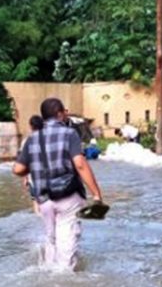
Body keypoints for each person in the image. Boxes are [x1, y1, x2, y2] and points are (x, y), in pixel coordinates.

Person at [14, 98, 104, 271]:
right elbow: (80, 164)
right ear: (60, 113)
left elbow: (18, 169)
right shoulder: (69, 134)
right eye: (65, 112)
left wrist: (32, 172)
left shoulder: (31, 139)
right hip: (67, 197)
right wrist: (96, 194)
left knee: (51, 239)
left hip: (44, 200)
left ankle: (48, 272)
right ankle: (63, 286)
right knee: (67, 247)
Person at [22, 115, 45, 215]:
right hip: (49, 176)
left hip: (33, 177)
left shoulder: (26, 142)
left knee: (36, 201)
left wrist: (25, 178)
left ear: (31, 126)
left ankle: (39, 220)